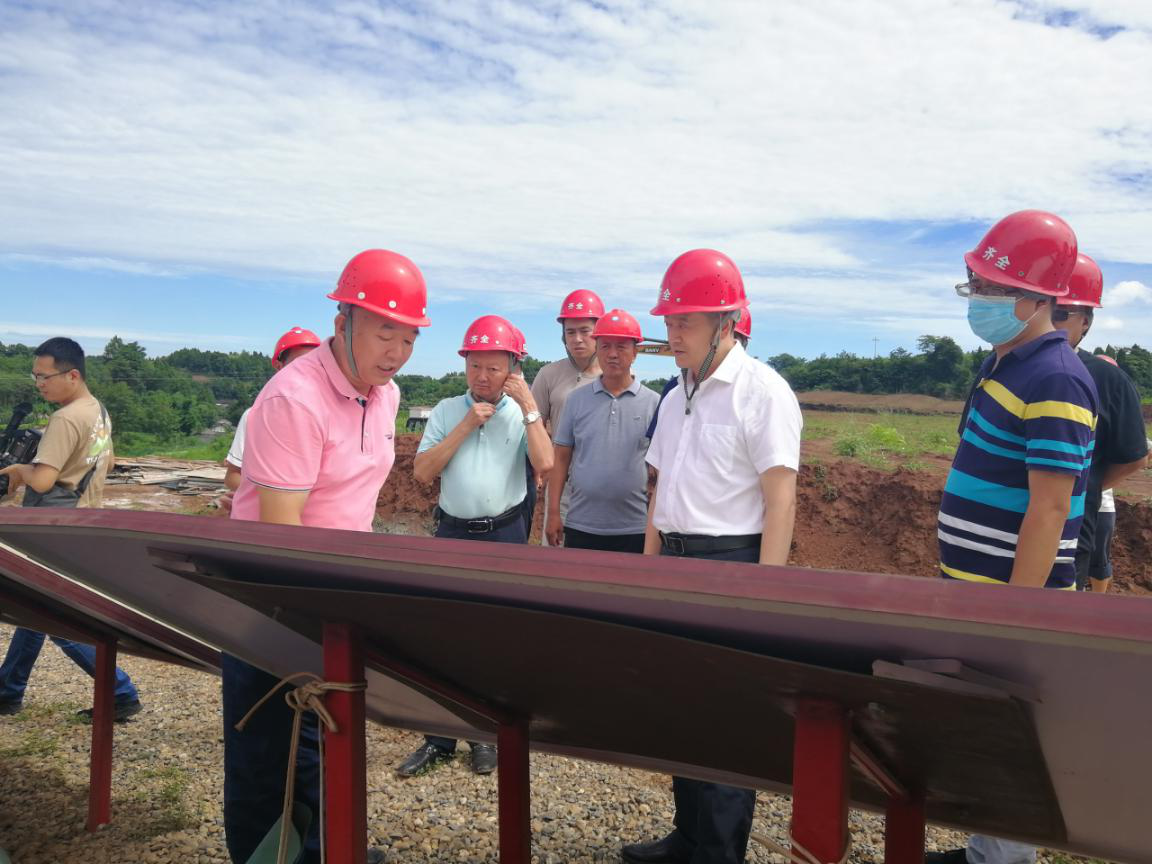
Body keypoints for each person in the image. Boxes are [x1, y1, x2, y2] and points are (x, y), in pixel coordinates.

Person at [225, 249, 428, 864]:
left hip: (335, 586)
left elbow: (354, 501)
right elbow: (282, 533)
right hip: (273, 595)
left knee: (330, 736)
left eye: (409, 338)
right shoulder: (295, 398)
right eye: (385, 332)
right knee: (271, 749)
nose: (397, 352)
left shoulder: (385, 395)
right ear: (343, 322)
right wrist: (314, 623)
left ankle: (332, 849)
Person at [621, 252, 801, 864]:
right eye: (670, 323)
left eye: (686, 323)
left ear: (726, 322)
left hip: (731, 565)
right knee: (682, 710)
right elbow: (660, 491)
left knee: (727, 722)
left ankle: (718, 853)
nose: (673, 335)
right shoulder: (676, 396)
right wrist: (649, 570)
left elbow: (781, 499)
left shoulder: (763, 392)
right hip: (673, 562)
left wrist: (767, 595)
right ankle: (689, 837)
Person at [929, 212, 1096, 864]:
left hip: (1013, 601)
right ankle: (984, 852)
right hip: (981, 593)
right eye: (975, 285)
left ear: (1034, 297)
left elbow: (1050, 508)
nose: (977, 298)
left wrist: (1012, 615)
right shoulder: (1005, 365)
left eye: (989, 287)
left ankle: (1002, 859)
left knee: (1012, 740)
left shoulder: (1056, 377)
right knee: (987, 734)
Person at [395, 315, 553, 778]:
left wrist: (529, 407)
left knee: (492, 638)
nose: (482, 377)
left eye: (494, 368)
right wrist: (465, 424)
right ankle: (438, 737)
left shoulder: (522, 414)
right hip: (453, 534)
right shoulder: (447, 410)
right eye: (474, 366)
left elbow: (545, 463)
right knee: (442, 637)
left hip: (504, 533)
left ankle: (484, 735)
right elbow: (423, 472)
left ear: (514, 369)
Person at [0, 337, 140, 722]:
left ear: (72, 375)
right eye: (35, 376)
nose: (39, 384)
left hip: (54, 527)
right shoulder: (98, 410)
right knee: (35, 610)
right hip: (82, 520)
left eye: (45, 377)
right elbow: (106, 463)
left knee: (55, 620)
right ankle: (7, 690)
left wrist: (18, 470)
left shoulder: (64, 418)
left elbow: (43, 481)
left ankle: (121, 693)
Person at [1047, 254, 1147, 593]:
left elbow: (1134, 457)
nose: (1047, 321)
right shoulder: (999, 366)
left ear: (1086, 323)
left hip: (1068, 537)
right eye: (1040, 307)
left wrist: (1084, 485)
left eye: (1060, 314)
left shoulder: (1108, 380)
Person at [546, 308, 659, 552]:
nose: (613, 354)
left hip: (636, 527)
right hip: (581, 524)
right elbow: (561, 457)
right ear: (597, 349)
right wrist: (553, 512)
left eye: (621, 347)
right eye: (605, 346)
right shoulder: (576, 400)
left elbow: (660, 470)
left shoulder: (654, 403)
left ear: (635, 352)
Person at [531, 291, 604, 544]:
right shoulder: (549, 375)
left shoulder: (615, 375)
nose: (577, 339)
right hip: (562, 487)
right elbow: (534, 426)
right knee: (558, 558)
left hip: (604, 489)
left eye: (585, 331)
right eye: (570, 332)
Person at [224, 327, 321, 491]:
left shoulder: (332, 415)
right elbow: (233, 476)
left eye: (316, 363)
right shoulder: (254, 416)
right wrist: (264, 498)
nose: (309, 371)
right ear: (279, 366)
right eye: (300, 364)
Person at [647, 308, 752, 440]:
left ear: (725, 328)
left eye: (734, 337)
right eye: (668, 324)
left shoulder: (757, 392)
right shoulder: (675, 390)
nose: (674, 338)